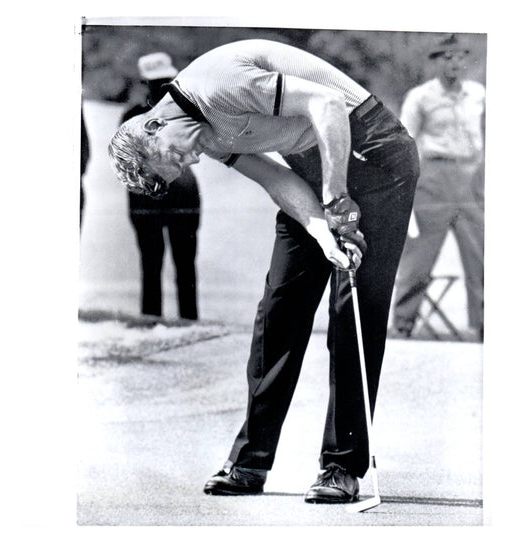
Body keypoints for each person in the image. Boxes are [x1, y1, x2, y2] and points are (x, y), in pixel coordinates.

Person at [108, 39, 419, 504]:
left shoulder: (217, 87)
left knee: (352, 307)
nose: (191, 162)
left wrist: (336, 199)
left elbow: (327, 103)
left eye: (175, 158)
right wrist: (320, 230)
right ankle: (250, 461)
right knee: (279, 308)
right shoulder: (201, 134)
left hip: (373, 152)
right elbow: (278, 181)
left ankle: (342, 466)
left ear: (154, 124)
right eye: (182, 167)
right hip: (313, 164)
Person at [391, 34, 485, 340]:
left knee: (481, 256)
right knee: (420, 256)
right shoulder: (421, 96)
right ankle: (403, 324)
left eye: (460, 57)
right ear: (435, 61)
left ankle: (485, 326)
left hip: (470, 178)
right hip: (433, 178)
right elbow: (404, 142)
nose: (454, 63)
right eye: (447, 57)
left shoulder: (478, 94)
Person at [121, 52, 201, 320]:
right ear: (144, 84)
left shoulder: (183, 112)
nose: (162, 87)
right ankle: (152, 320)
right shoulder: (132, 117)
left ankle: (188, 322)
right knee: (152, 265)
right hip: (150, 199)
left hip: (179, 196)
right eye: (157, 82)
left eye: (166, 81)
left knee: (184, 266)